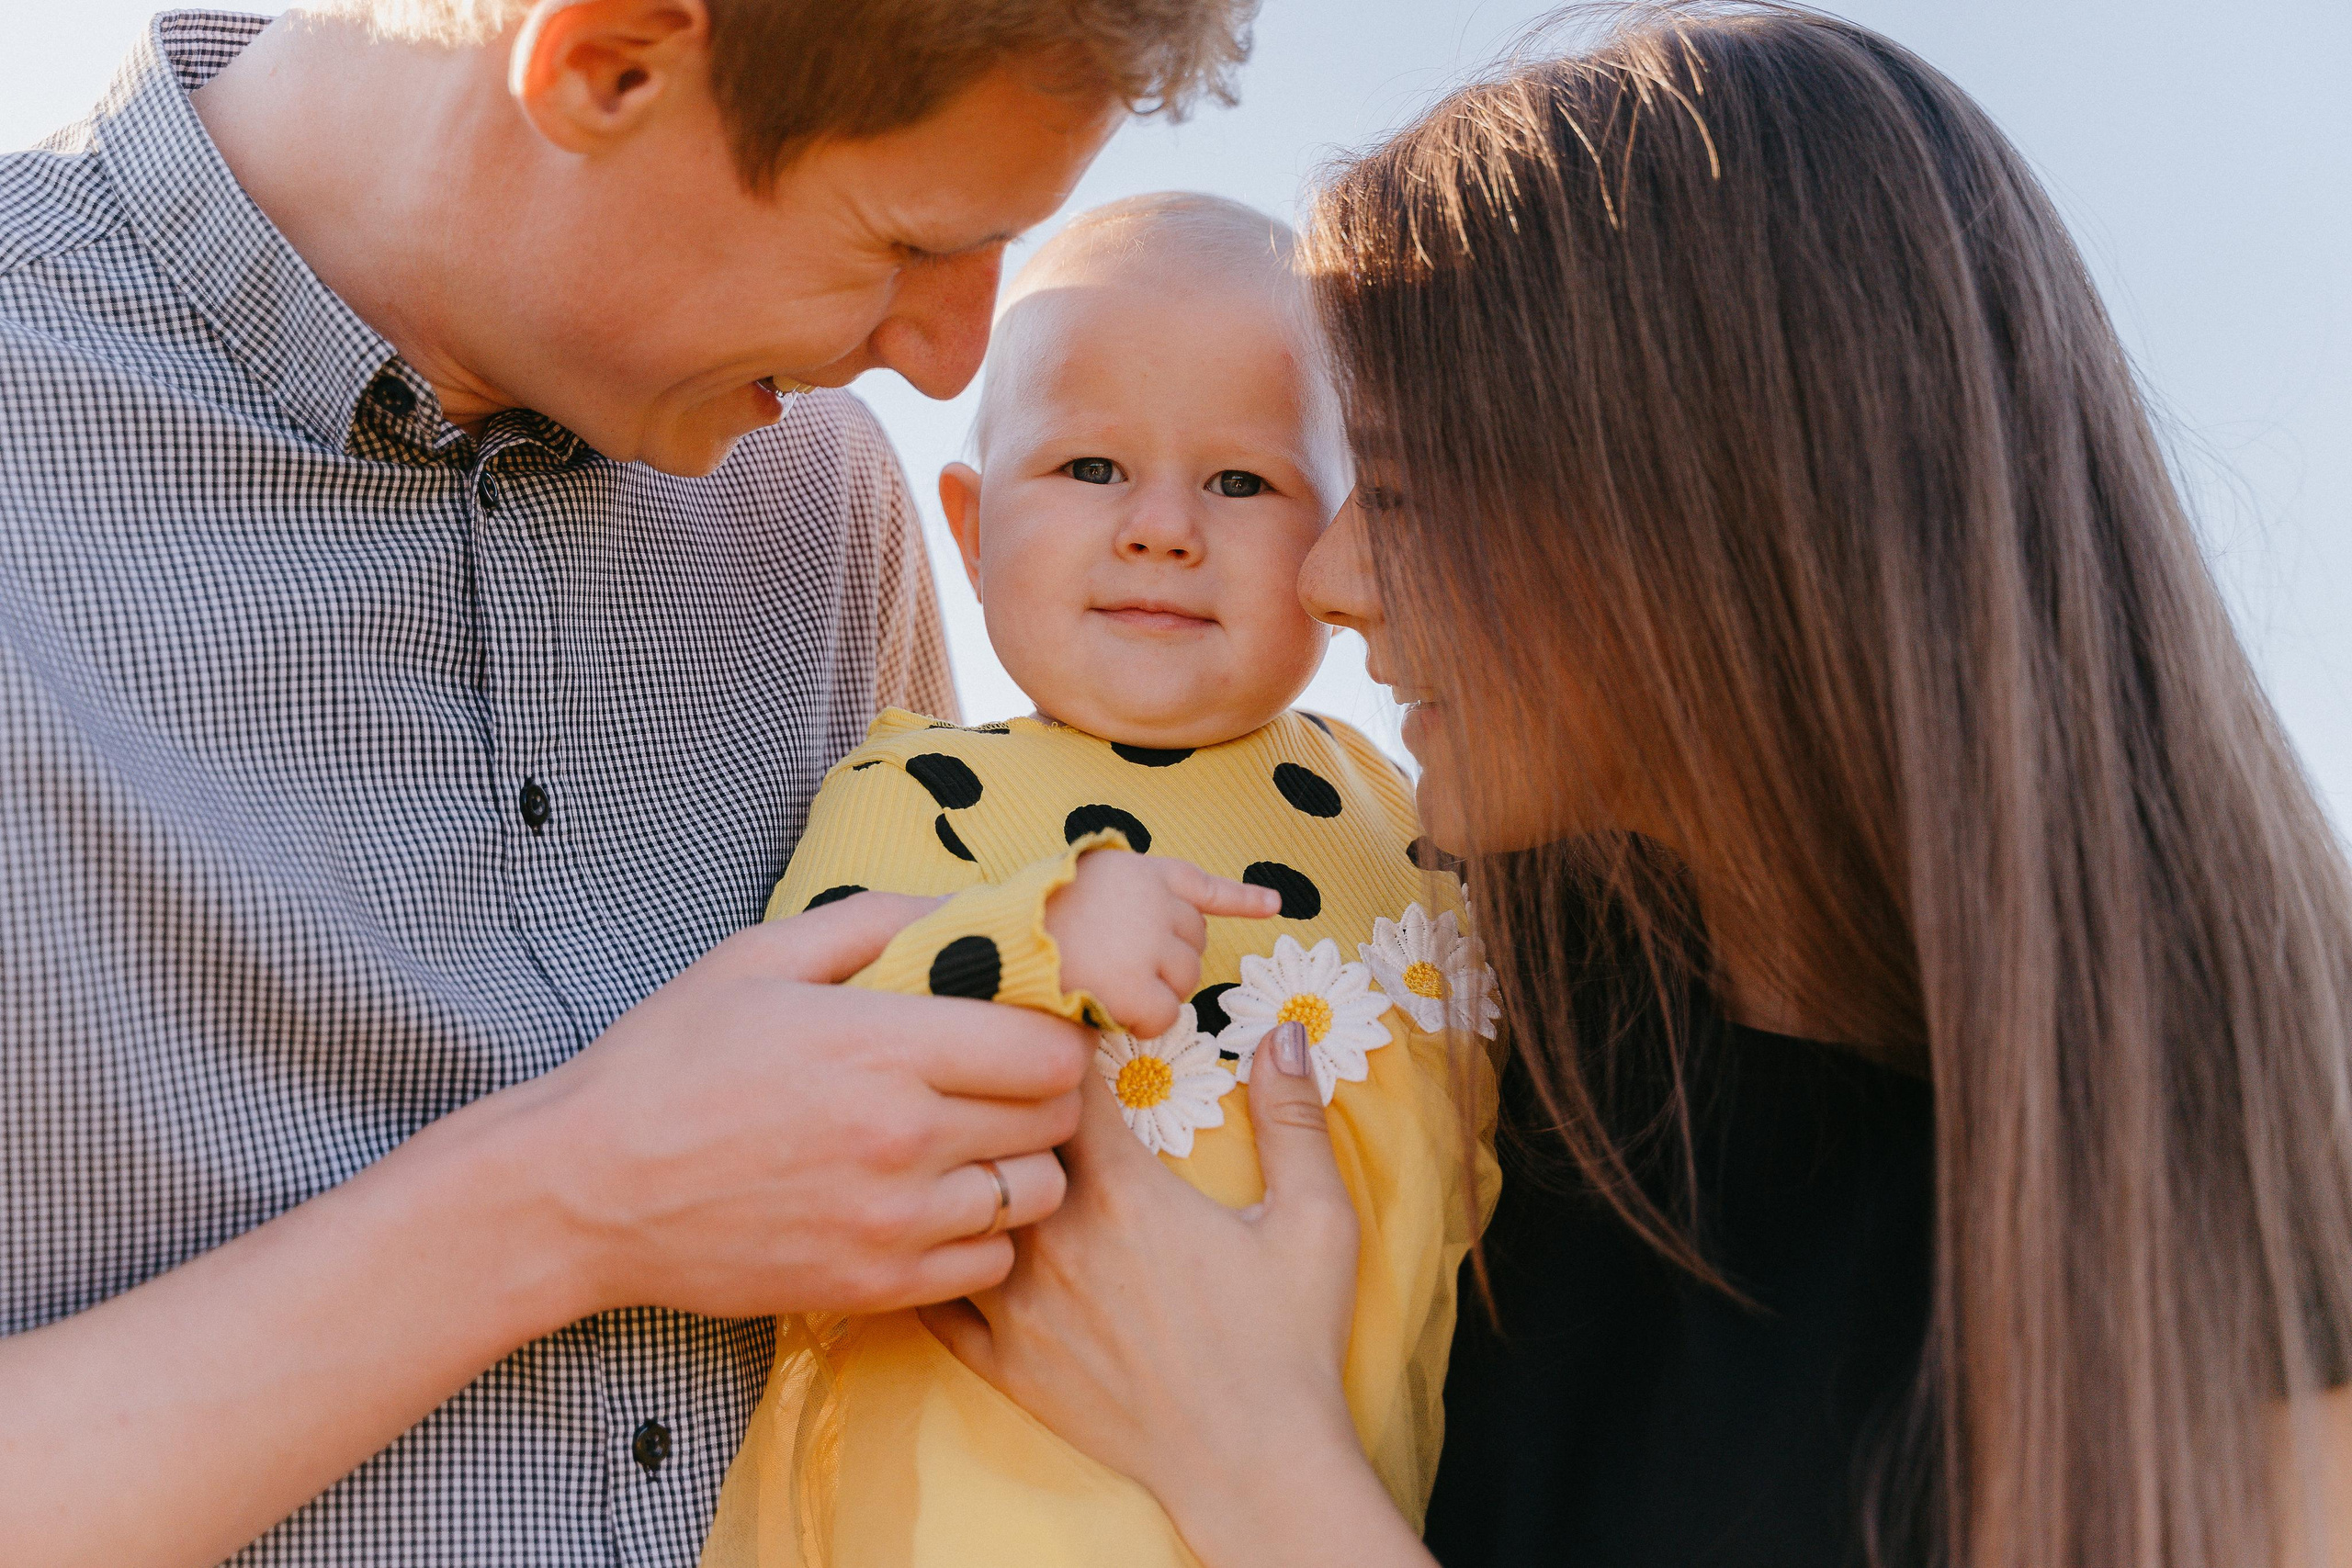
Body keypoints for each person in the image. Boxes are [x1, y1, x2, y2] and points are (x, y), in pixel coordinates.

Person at [915, 6, 2352, 1568]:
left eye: (1391, 490)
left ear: (1689, 513)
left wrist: (1252, 1466)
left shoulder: (2274, 1242)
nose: (1328, 581)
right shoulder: (1486, 1036)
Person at [0, 2, 1252, 1564]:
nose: (947, 361)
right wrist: (571, 1200)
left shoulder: (822, 501)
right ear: (604, 62)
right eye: (905, 243)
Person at [695, 193, 1500, 1568]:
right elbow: (784, 1080)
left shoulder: (1408, 820)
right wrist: (1039, 934)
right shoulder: (930, 792)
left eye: (1242, 483)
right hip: (957, 1522)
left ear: (1336, 531)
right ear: (968, 524)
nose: (1163, 530)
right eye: (1088, 468)